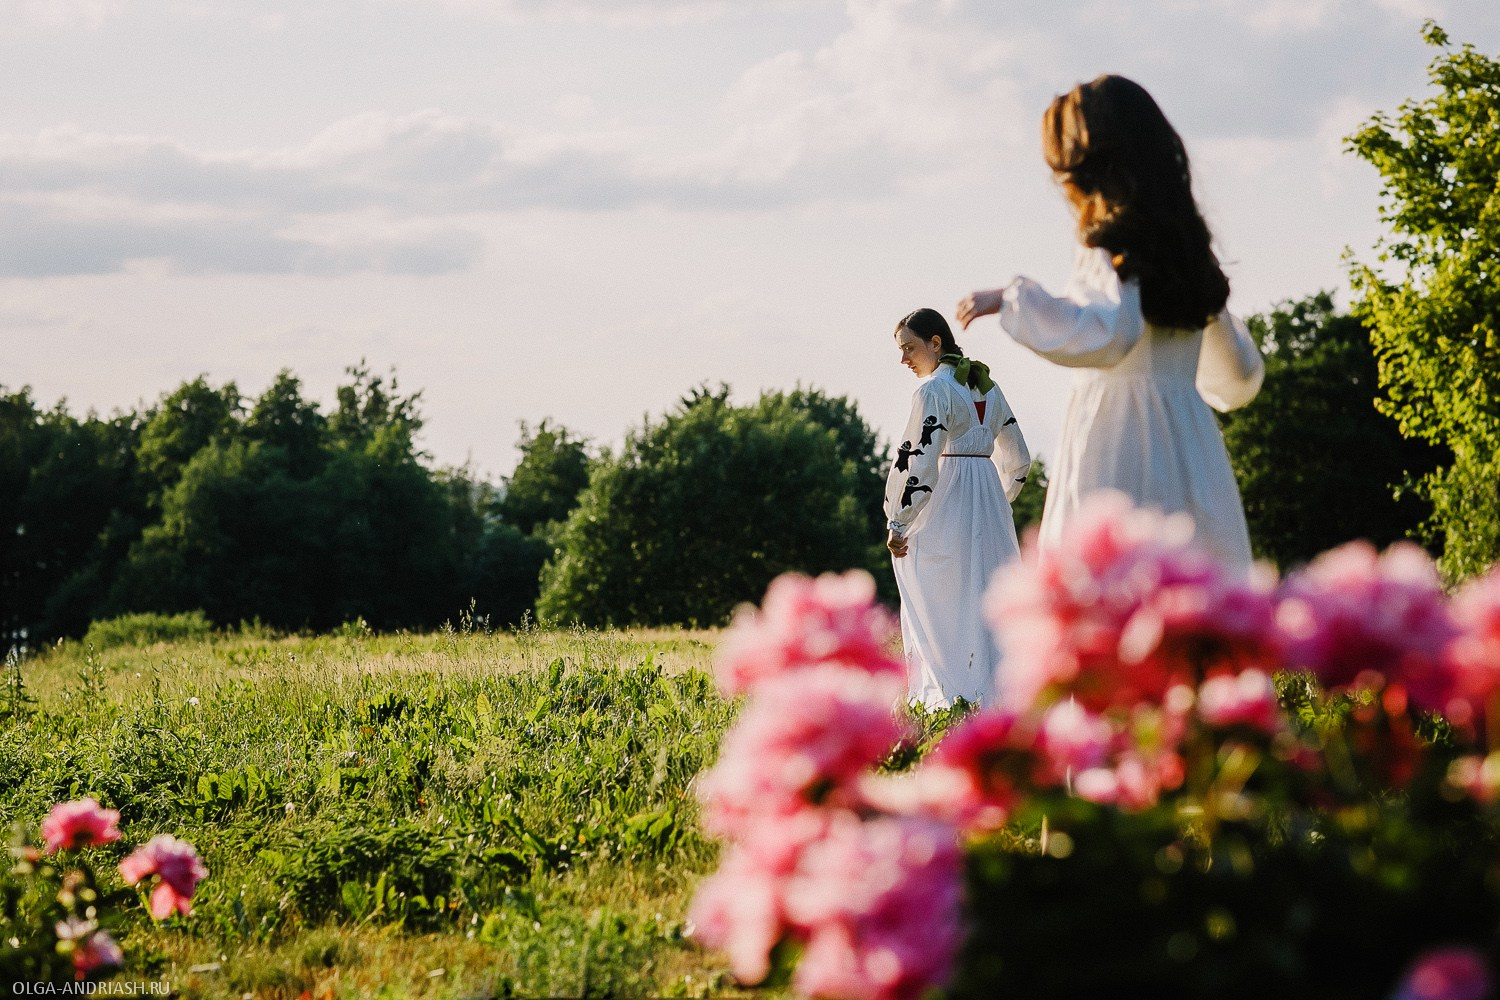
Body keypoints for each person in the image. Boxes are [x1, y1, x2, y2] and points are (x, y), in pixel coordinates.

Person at [957, 74, 1264, 570]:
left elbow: (1106, 331)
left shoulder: (1110, 248)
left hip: (1120, 436)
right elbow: (1239, 374)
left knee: (1112, 587)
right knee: (1197, 578)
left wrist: (1014, 300)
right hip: (1191, 440)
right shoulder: (1186, 255)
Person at [884, 308, 1030, 708]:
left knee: (940, 587)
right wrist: (999, 499)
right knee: (984, 587)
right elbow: (1019, 459)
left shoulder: (934, 390)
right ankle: (994, 690)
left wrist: (899, 519)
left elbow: (919, 457)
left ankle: (954, 690)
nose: (904, 359)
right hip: (987, 496)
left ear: (936, 343)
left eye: (910, 348)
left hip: (947, 494)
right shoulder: (988, 387)